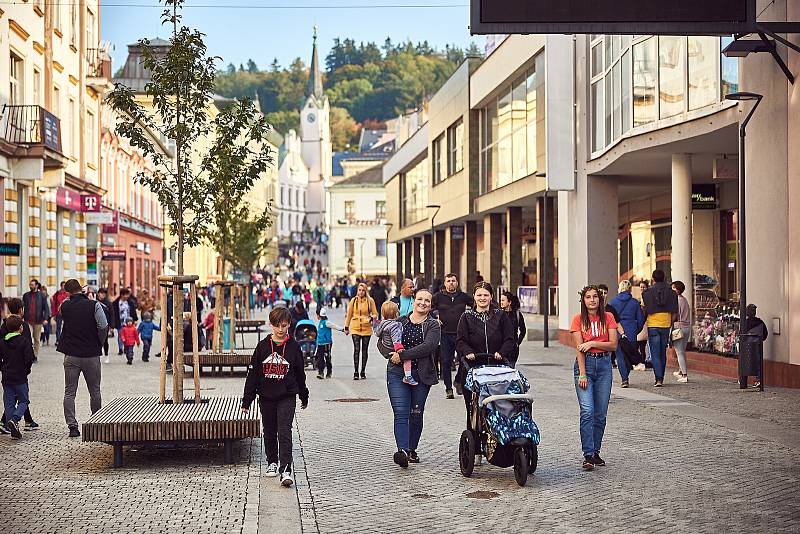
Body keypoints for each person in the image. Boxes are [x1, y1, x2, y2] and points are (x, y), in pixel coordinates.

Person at [242, 307, 309, 487]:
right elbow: (253, 374)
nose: (281, 330)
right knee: (269, 430)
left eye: (284, 326)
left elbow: (300, 374)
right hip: (266, 396)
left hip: (287, 395)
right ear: (271, 325)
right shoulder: (262, 347)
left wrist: (303, 395)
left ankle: (286, 469)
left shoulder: (294, 347)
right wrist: (247, 400)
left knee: (284, 431)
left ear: (289, 325)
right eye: (277, 326)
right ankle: (272, 461)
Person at [376, 288, 440, 468]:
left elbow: (429, 346)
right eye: (420, 299)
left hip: (421, 374)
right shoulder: (400, 321)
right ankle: (402, 451)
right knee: (401, 413)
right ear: (413, 301)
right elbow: (382, 342)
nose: (423, 303)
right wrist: (390, 355)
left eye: (427, 300)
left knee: (416, 413)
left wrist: (402, 355)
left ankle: (412, 448)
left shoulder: (433, 325)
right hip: (397, 373)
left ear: (430, 305)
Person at [455, 281, 516, 429]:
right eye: (479, 295)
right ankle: (475, 440)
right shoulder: (466, 316)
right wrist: (468, 352)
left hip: (497, 369)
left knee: (499, 405)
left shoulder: (500, 315)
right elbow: (460, 341)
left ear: (491, 297)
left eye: (486, 295)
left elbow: (510, 338)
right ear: (474, 297)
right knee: (474, 408)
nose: (482, 298)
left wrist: (502, 352)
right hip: (473, 369)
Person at [570, 285, 618, 471]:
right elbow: (579, 349)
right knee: (588, 411)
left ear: (600, 299)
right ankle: (588, 454)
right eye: (588, 297)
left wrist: (593, 343)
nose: (592, 300)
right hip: (585, 367)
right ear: (583, 300)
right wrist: (582, 373)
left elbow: (613, 345)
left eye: (595, 297)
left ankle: (596, 451)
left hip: (605, 366)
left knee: (600, 414)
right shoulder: (577, 320)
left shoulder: (609, 318)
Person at [58, 279, 109, 438]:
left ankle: (72, 427)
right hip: (91, 354)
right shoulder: (94, 305)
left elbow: (62, 307)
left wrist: (69, 296)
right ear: (82, 289)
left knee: (69, 392)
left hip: (71, 355)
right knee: (95, 390)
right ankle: (96, 423)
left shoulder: (65, 306)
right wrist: (99, 342)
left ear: (67, 292)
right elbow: (103, 326)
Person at [0, 298, 39, 433]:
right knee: (23, 398)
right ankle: (13, 421)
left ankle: (13, 423)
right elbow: (28, 354)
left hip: (7, 373)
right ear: (21, 310)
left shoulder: (4, 325)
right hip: (20, 373)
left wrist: (2, 368)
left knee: (10, 400)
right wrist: (27, 369)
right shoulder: (23, 328)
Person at [431, 274, 473, 398]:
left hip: (461, 334)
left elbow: (475, 306)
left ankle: (458, 381)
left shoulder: (463, 296)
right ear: (445, 283)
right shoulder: (438, 297)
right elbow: (429, 308)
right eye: (448, 281)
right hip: (445, 334)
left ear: (457, 282)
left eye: (453, 281)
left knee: (464, 359)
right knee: (446, 361)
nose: (451, 283)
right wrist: (435, 318)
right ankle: (448, 389)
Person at [642, 269, 678, 387]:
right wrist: (670, 323)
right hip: (665, 325)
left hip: (653, 325)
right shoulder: (672, 293)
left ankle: (658, 378)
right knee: (662, 352)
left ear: (653, 279)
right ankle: (661, 376)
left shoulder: (647, 293)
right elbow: (674, 312)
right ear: (664, 278)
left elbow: (645, 310)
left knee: (655, 353)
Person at [608, 280, 646, 388]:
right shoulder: (634, 302)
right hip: (631, 332)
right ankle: (625, 376)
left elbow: (609, 319)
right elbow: (641, 319)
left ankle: (624, 379)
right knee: (629, 355)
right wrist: (636, 329)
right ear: (629, 289)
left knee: (620, 356)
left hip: (616, 332)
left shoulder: (612, 302)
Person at [344, 283, 377, 380]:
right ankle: (355, 372)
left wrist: (371, 317)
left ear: (366, 291)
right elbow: (349, 314)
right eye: (359, 290)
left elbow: (375, 314)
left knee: (364, 351)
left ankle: (363, 371)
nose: (361, 292)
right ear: (357, 291)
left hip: (367, 329)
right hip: (355, 328)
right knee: (357, 349)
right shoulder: (353, 301)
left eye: (363, 290)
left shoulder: (370, 301)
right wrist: (346, 327)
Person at [375, 301, 412, 384]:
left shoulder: (382, 323)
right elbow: (396, 340)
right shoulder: (395, 325)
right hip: (393, 347)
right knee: (407, 358)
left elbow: (377, 333)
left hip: (385, 346)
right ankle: (408, 376)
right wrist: (400, 350)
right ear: (396, 313)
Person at [740, 304, 768, 388]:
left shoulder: (745, 323)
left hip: (747, 346)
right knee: (758, 362)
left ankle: (743, 380)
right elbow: (765, 334)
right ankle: (758, 380)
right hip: (757, 345)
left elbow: (741, 334)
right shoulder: (760, 322)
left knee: (745, 362)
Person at [22, 279, 49, 360]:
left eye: (32, 285)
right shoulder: (26, 295)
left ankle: (35, 355)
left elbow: (46, 308)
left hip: (38, 321)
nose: (30, 286)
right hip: (28, 320)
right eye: (30, 285)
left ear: (36, 285)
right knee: (28, 338)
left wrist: (45, 319)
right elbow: (22, 307)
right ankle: (28, 354)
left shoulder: (42, 296)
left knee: (37, 339)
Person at [670, 281, 691, 383]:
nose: (672, 289)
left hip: (678, 327)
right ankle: (680, 371)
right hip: (687, 327)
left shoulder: (676, 300)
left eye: (673, 288)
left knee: (679, 352)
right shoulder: (684, 299)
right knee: (682, 350)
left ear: (677, 289)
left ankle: (684, 374)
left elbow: (675, 314)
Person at [314, 307, 343, 379]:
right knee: (320, 358)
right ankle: (321, 373)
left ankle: (329, 372)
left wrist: (342, 329)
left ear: (319, 315)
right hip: (320, 344)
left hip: (327, 344)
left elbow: (335, 326)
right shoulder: (320, 322)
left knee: (327, 358)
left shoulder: (326, 322)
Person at [499, 291, 526, 368]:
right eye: (501, 300)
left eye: (503, 300)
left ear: (509, 302)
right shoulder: (498, 314)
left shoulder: (517, 314)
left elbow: (523, 330)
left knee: (510, 369)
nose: (501, 302)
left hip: (513, 349)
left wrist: (517, 343)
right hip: (500, 348)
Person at [111, 288, 138, 355]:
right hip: (119, 322)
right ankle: (120, 348)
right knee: (120, 335)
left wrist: (135, 320)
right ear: (122, 295)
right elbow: (113, 314)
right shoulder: (116, 303)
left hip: (129, 323)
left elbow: (133, 311)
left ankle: (127, 348)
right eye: (126, 295)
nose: (127, 296)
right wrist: (112, 324)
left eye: (128, 295)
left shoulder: (130, 302)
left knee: (128, 336)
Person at [96, 289, 113, 362]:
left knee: (105, 341)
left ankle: (106, 355)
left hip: (105, 325)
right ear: (98, 294)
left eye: (104, 294)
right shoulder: (94, 302)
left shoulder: (108, 303)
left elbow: (112, 314)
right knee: (96, 341)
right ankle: (97, 355)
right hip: (95, 324)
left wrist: (112, 326)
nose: (102, 295)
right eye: (101, 293)